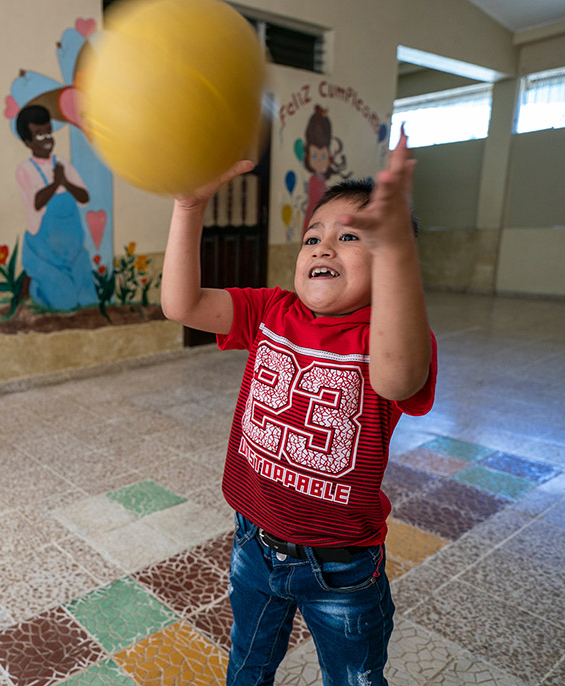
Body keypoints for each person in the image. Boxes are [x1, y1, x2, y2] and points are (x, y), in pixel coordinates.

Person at [160, 129, 435, 686]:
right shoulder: (270, 310)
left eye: (353, 237)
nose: (324, 247)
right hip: (254, 540)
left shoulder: (388, 336)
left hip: (341, 566)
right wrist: (188, 207)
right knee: (247, 665)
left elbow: (399, 377)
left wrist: (400, 252)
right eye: (313, 237)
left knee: (353, 678)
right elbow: (180, 304)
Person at [14, 104, 98, 310]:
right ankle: (33, 284)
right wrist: (55, 183)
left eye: (48, 132)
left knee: (88, 301)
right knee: (64, 303)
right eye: (39, 135)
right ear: (27, 141)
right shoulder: (25, 170)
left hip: (73, 250)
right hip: (44, 252)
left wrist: (65, 182)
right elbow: (37, 202)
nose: (47, 139)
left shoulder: (62, 163)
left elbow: (84, 197)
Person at [302, 105, 351, 230]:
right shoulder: (314, 180)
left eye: (323, 156)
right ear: (308, 156)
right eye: (314, 155)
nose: (319, 160)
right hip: (313, 219)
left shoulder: (322, 179)